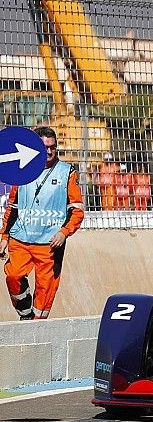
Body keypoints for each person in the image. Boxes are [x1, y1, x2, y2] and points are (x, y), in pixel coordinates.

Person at [0, 126, 85, 319]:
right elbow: (12, 206)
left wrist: (64, 232)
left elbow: (77, 210)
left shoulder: (67, 173)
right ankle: (25, 313)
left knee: (45, 294)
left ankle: (36, 324)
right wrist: (4, 236)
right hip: (20, 238)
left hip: (50, 243)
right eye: (45, 147)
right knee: (13, 275)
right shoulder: (22, 170)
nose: (49, 151)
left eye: (52, 147)